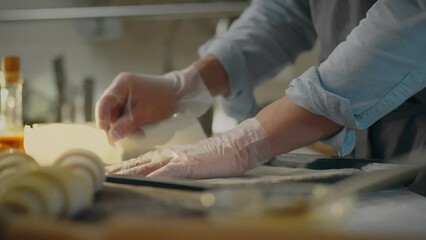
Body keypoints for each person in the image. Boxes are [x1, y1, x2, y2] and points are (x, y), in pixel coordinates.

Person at [97, 0, 426, 178]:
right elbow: (288, 9)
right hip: (373, 153)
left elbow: (413, 19)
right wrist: (188, 84)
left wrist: (242, 144)